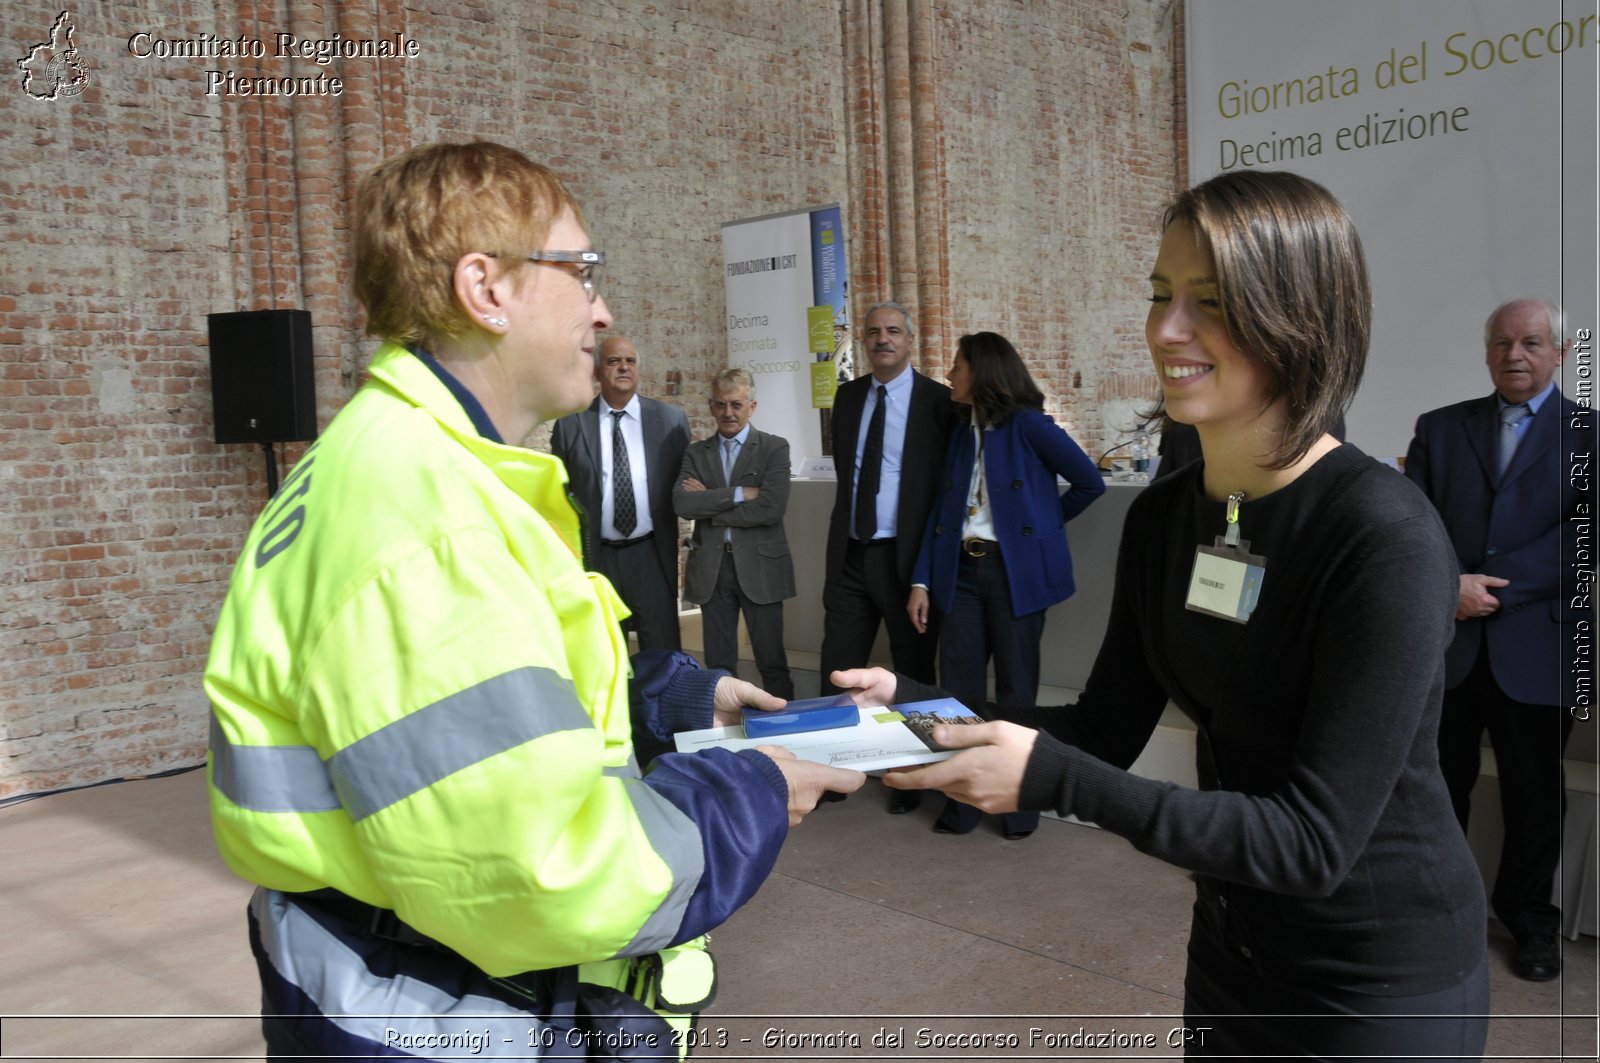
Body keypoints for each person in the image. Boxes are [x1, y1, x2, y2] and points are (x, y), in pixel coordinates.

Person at [204, 140, 864, 1061]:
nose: (603, 309)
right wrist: (757, 785)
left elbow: (491, 713)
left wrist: (669, 702)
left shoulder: (411, 463)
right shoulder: (426, 516)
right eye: (582, 272)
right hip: (432, 1015)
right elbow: (545, 868)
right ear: (487, 289)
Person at [848, 170, 1490, 1059]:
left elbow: (1312, 842)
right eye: (1161, 295)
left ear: (1300, 316)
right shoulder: (1165, 517)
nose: (1167, 329)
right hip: (1232, 943)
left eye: (1212, 302)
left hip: (1376, 977)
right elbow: (1103, 725)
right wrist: (904, 711)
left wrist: (1049, 779)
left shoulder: (1385, 535)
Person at [1405, 297, 1592, 982]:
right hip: (1447, 643)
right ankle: (1435, 911)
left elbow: (1587, 535)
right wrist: (1449, 583)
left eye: (1532, 342)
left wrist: (1492, 584)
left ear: (1561, 353)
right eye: (1503, 342)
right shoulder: (1440, 428)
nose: (1515, 354)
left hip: (1540, 646)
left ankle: (1530, 921)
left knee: (1535, 795)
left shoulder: (1590, 435)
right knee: (1434, 787)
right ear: (1487, 351)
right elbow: (1411, 521)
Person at [906, 331, 1104, 838]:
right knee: (957, 694)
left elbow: (1089, 482)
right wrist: (923, 580)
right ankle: (962, 803)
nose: (950, 374)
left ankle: (1020, 806)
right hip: (961, 575)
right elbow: (940, 517)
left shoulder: (1029, 426)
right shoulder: (959, 434)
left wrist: (1034, 534)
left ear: (983, 371)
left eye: (957, 365)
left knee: (1018, 692)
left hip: (1013, 575)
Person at [818, 301, 953, 691]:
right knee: (837, 672)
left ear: (910, 340)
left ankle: (917, 750)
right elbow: (848, 475)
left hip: (907, 561)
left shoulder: (939, 403)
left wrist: (924, 576)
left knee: (913, 673)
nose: (883, 340)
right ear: (863, 341)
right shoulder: (847, 398)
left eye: (893, 331)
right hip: (850, 557)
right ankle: (830, 749)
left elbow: (943, 487)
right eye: (874, 332)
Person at [551, 335, 689, 651]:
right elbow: (560, 496)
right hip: (599, 560)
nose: (623, 367)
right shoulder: (572, 424)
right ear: (598, 371)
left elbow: (685, 484)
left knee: (664, 655)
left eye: (630, 361)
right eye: (613, 361)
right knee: (606, 653)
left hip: (651, 556)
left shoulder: (671, 421)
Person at [674, 367, 796, 698]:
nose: (729, 413)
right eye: (721, 404)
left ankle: (787, 725)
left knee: (772, 661)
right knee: (719, 665)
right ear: (711, 406)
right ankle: (724, 734)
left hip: (761, 567)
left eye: (737, 405)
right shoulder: (696, 453)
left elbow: (771, 508)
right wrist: (739, 493)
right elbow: (683, 504)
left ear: (752, 406)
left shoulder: (773, 448)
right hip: (713, 571)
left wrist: (709, 503)